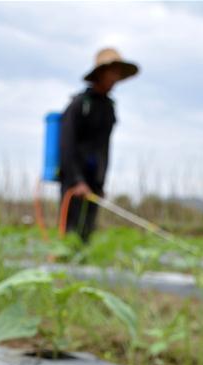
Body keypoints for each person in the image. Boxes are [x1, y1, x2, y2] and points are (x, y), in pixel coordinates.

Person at [59, 48, 139, 243]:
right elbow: (67, 144)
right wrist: (77, 181)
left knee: (87, 230)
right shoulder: (79, 104)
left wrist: (100, 183)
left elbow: (104, 148)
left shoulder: (109, 108)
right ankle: (67, 266)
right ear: (101, 73)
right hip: (74, 178)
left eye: (118, 73)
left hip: (93, 179)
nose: (116, 77)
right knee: (72, 230)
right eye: (113, 72)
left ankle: (81, 265)